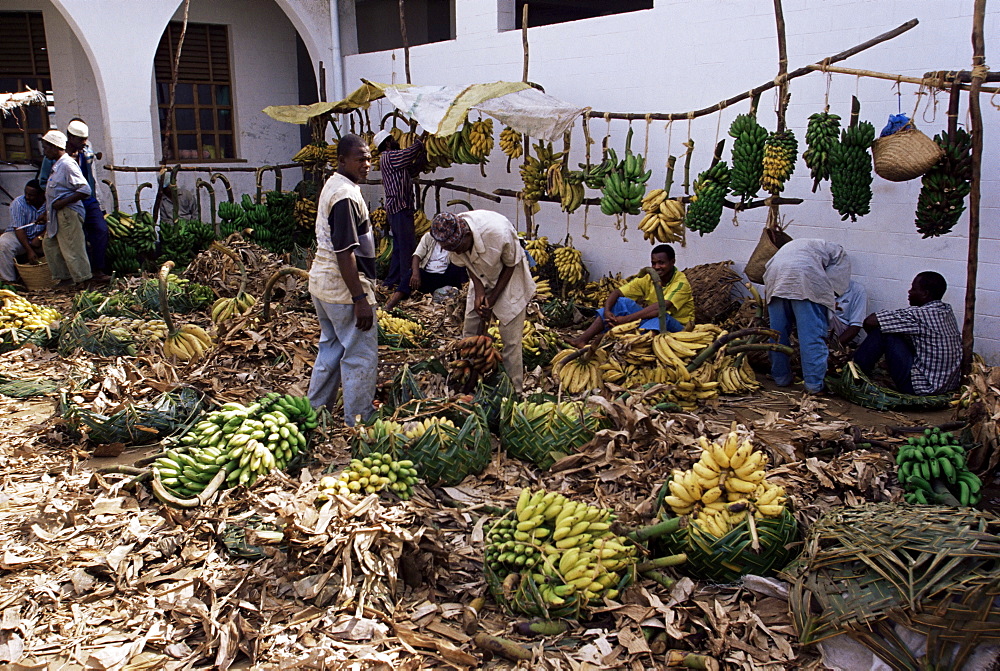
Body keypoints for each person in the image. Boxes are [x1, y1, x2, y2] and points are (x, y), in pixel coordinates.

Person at [307, 134, 378, 426]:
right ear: (342, 161)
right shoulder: (346, 196)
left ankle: (313, 414)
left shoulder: (335, 185)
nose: (367, 164)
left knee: (331, 351)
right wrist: (359, 299)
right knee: (359, 355)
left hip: (322, 284)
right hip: (342, 289)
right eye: (360, 159)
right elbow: (345, 252)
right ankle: (358, 421)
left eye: (369, 158)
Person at [430, 210, 535, 393]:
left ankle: (513, 390)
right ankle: (465, 378)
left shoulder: (498, 232)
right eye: (452, 250)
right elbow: (467, 264)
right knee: (470, 332)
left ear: (468, 235)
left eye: (459, 248)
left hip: (509, 279)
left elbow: (510, 265)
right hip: (480, 275)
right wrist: (479, 290)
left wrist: (492, 298)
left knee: (511, 340)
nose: (457, 252)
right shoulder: (451, 237)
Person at [763, 238, 851, 395]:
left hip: (775, 277)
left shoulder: (799, 246)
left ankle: (781, 377)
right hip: (804, 278)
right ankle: (814, 385)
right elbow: (835, 282)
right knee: (811, 336)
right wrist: (829, 294)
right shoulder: (839, 253)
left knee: (777, 333)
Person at [853, 271, 961, 395]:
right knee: (895, 331)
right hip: (946, 385)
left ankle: (856, 372)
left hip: (922, 387)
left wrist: (875, 345)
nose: (909, 292)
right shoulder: (946, 311)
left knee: (884, 332)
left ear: (925, 294)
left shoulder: (920, 315)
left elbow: (870, 321)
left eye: (913, 289)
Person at [568, 244, 693, 348]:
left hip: (676, 327)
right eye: (653, 263)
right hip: (654, 317)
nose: (656, 267)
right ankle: (582, 340)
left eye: (661, 263)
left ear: (672, 262)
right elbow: (617, 293)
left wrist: (627, 319)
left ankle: (634, 347)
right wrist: (607, 311)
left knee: (661, 318)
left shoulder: (681, 283)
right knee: (621, 302)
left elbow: (660, 307)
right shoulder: (649, 277)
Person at [39, 119, 110, 281]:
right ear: (70, 138)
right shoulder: (53, 159)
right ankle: (78, 275)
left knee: (100, 230)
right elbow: (45, 183)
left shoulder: (85, 153)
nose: (84, 143)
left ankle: (96, 270)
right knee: (74, 239)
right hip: (66, 201)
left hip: (86, 198)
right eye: (81, 140)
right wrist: (57, 200)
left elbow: (88, 185)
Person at [40, 130, 93, 290]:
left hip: (68, 213)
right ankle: (65, 277)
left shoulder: (67, 164)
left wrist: (63, 203)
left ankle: (83, 279)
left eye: (46, 148)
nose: (44, 152)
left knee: (72, 247)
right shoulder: (57, 165)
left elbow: (85, 189)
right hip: (56, 214)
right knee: (50, 245)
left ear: (55, 147)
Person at [374, 129, 424, 298]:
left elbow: (411, 169)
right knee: (406, 247)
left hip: (400, 208)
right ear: (387, 143)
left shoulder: (394, 162)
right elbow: (407, 155)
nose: (395, 141)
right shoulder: (388, 157)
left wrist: (422, 157)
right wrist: (419, 142)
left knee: (399, 246)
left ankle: (390, 280)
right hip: (399, 208)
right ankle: (405, 284)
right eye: (392, 139)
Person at [383, 231, 468, 310]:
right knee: (410, 274)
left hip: (446, 277)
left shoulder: (454, 240)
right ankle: (391, 304)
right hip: (428, 276)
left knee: (459, 267)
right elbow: (417, 256)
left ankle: (463, 298)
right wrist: (415, 274)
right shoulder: (428, 237)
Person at [0, 180, 47, 284]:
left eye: (31, 195)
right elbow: (19, 229)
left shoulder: (50, 204)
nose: (27, 197)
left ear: (42, 195)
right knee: (3, 244)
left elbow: (53, 225)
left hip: (41, 237)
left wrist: (40, 237)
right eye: (26, 193)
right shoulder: (18, 203)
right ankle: (8, 281)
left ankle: (56, 278)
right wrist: (29, 250)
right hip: (19, 235)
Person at [829, 279, 868, 347]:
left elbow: (856, 326)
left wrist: (834, 346)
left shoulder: (857, 290)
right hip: (824, 330)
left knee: (828, 314)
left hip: (843, 331)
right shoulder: (819, 285)